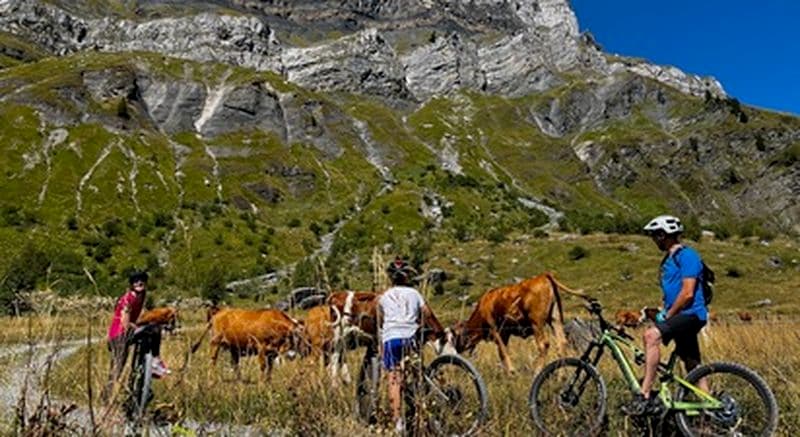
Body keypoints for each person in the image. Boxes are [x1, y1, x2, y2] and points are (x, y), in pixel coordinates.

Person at [627, 215, 709, 415]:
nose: (654, 239)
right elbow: (672, 293)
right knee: (692, 364)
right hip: (681, 315)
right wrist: (662, 311)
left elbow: (688, 293)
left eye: (655, 235)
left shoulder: (688, 255)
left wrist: (669, 315)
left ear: (663, 235)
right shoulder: (668, 260)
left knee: (650, 336)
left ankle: (644, 394)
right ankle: (710, 408)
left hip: (691, 314)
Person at [377, 257, 432, 434]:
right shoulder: (415, 294)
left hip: (391, 339)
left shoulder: (383, 297)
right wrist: (420, 324)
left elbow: (380, 319)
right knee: (417, 375)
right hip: (411, 338)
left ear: (391, 278)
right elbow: (427, 313)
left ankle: (398, 423)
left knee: (394, 379)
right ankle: (422, 415)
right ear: (407, 277)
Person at [102, 271, 168, 402]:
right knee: (154, 328)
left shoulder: (141, 296)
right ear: (132, 285)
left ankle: (145, 364)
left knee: (117, 369)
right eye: (136, 281)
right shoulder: (129, 298)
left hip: (124, 335)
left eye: (142, 280)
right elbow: (125, 322)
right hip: (119, 336)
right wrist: (136, 326)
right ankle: (155, 360)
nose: (139, 282)